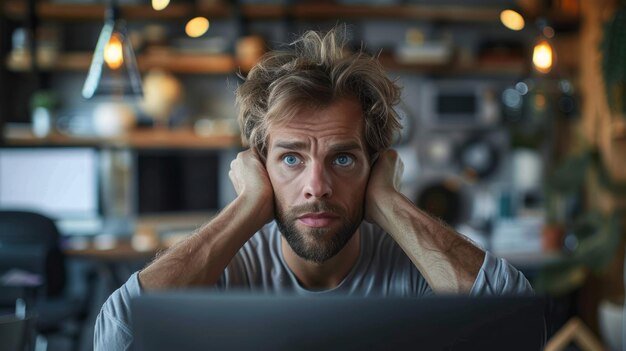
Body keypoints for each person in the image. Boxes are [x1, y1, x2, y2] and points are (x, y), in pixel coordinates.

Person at [94, 27, 533, 350]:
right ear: (258, 166)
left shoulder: (416, 267)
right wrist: (247, 206)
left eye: (342, 158)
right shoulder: (224, 266)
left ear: (375, 165)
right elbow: (115, 340)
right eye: (290, 158)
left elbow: (521, 333)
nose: (317, 187)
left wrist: (390, 203)